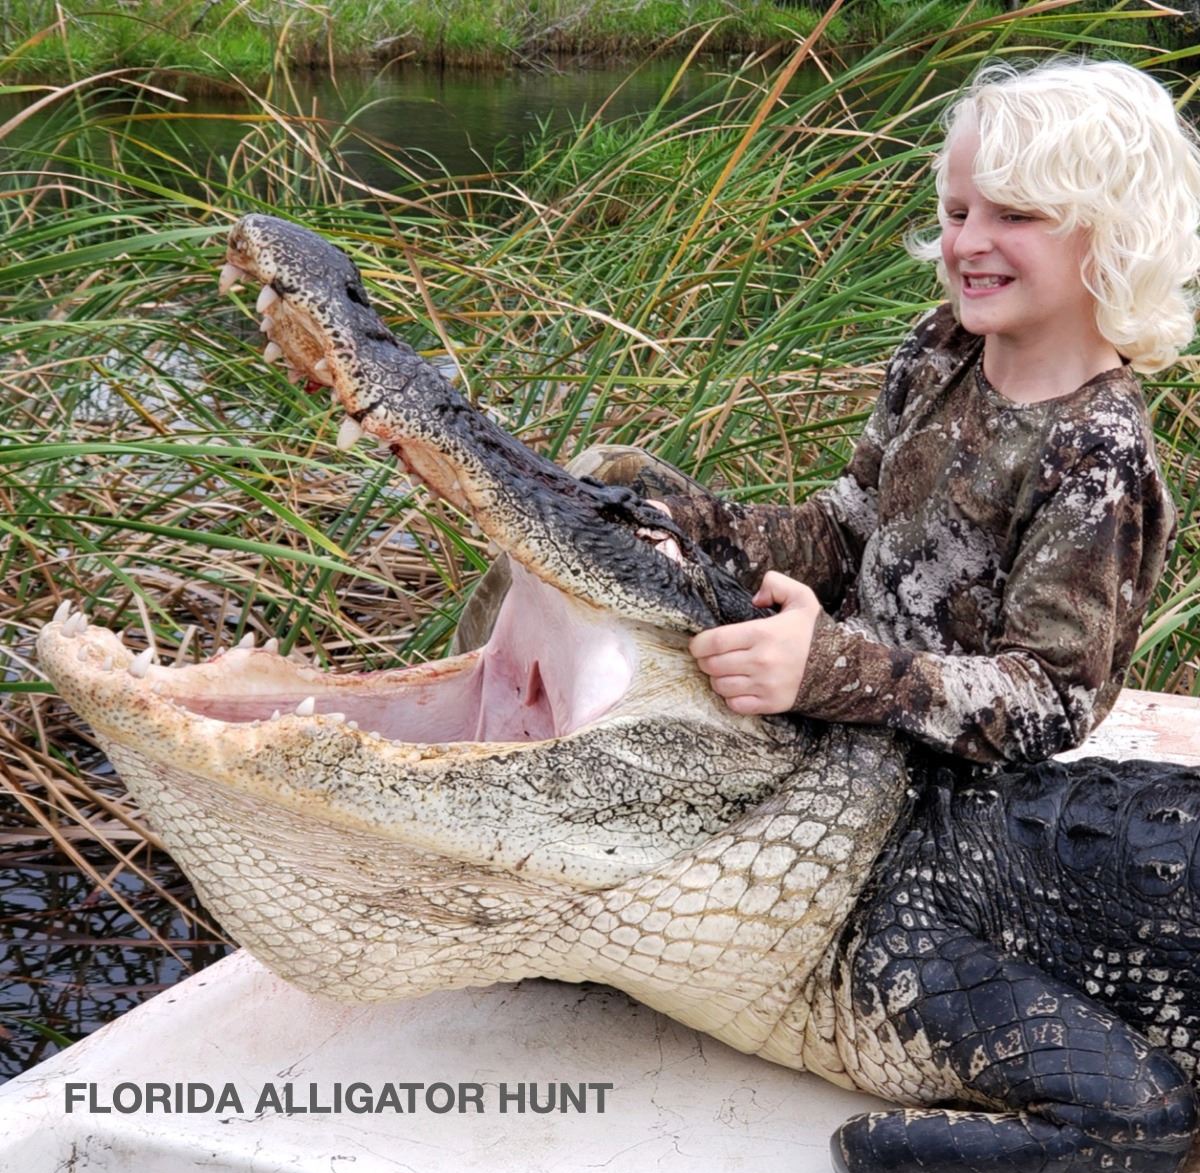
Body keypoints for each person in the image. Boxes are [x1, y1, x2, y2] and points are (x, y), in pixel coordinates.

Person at [459, 58, 1199, 766]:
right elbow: (845, 531)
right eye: (958, 212)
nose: (969, 242)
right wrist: (679, 526)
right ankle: (477, 712)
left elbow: (1049, 699)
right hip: (831, 686)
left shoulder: (1098, 449)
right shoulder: (942, 345)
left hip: (933, 771)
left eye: (1015, 214)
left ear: (1115, 235)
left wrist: (826, 668)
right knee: (608, 485)